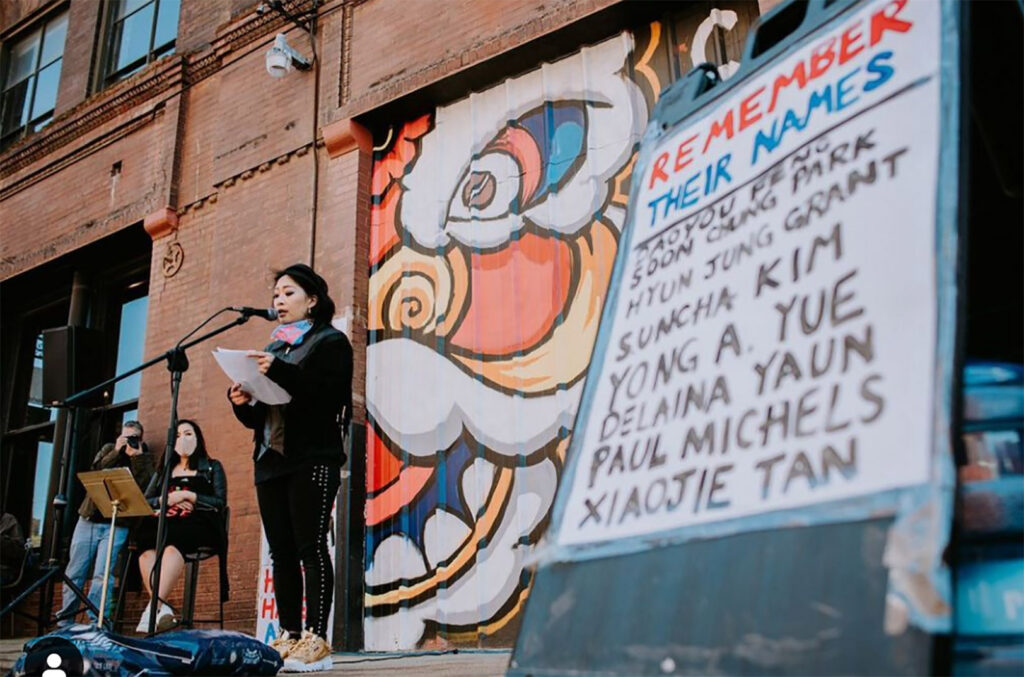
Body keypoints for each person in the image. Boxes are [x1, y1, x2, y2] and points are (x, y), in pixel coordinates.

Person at [228, 263, 352, 672]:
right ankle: (289, 635)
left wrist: (277, 371)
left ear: (312, 300)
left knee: (311, 546)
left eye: (288, 293)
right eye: (276, 295)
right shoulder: (275, 347)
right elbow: (267, 415)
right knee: (281, 553)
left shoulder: (330, 342)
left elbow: (325, 398)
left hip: (312, 458)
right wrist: (242, 403)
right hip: (270, 460)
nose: (278, 301)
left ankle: (317, 640)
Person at [58, 420, 155, 626]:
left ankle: (98, 621)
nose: (130, 440)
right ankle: (65, 621)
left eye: (134, 437)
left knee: (103, 575)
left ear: (141, 438)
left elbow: (145, 485)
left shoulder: (143, 458)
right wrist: (117, 451)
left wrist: (136, 458)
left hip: (117, 524)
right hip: (88, 519)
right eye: (126, 436)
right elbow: (94, 470)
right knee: (75, 571)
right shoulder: (109, 449)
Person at [134, 419, 227, 633]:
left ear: (197, 438)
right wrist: (167, 499)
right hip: (166, 519)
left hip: (198, 523)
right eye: (177, 435)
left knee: (172, 542)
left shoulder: (211, 467)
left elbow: (220, 502)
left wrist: (189, 495)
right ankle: (161, 607)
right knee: (145, 545)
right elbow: (146, 500)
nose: (182, 439)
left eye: (188, 434)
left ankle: (151, 610)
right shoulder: (164, 470)